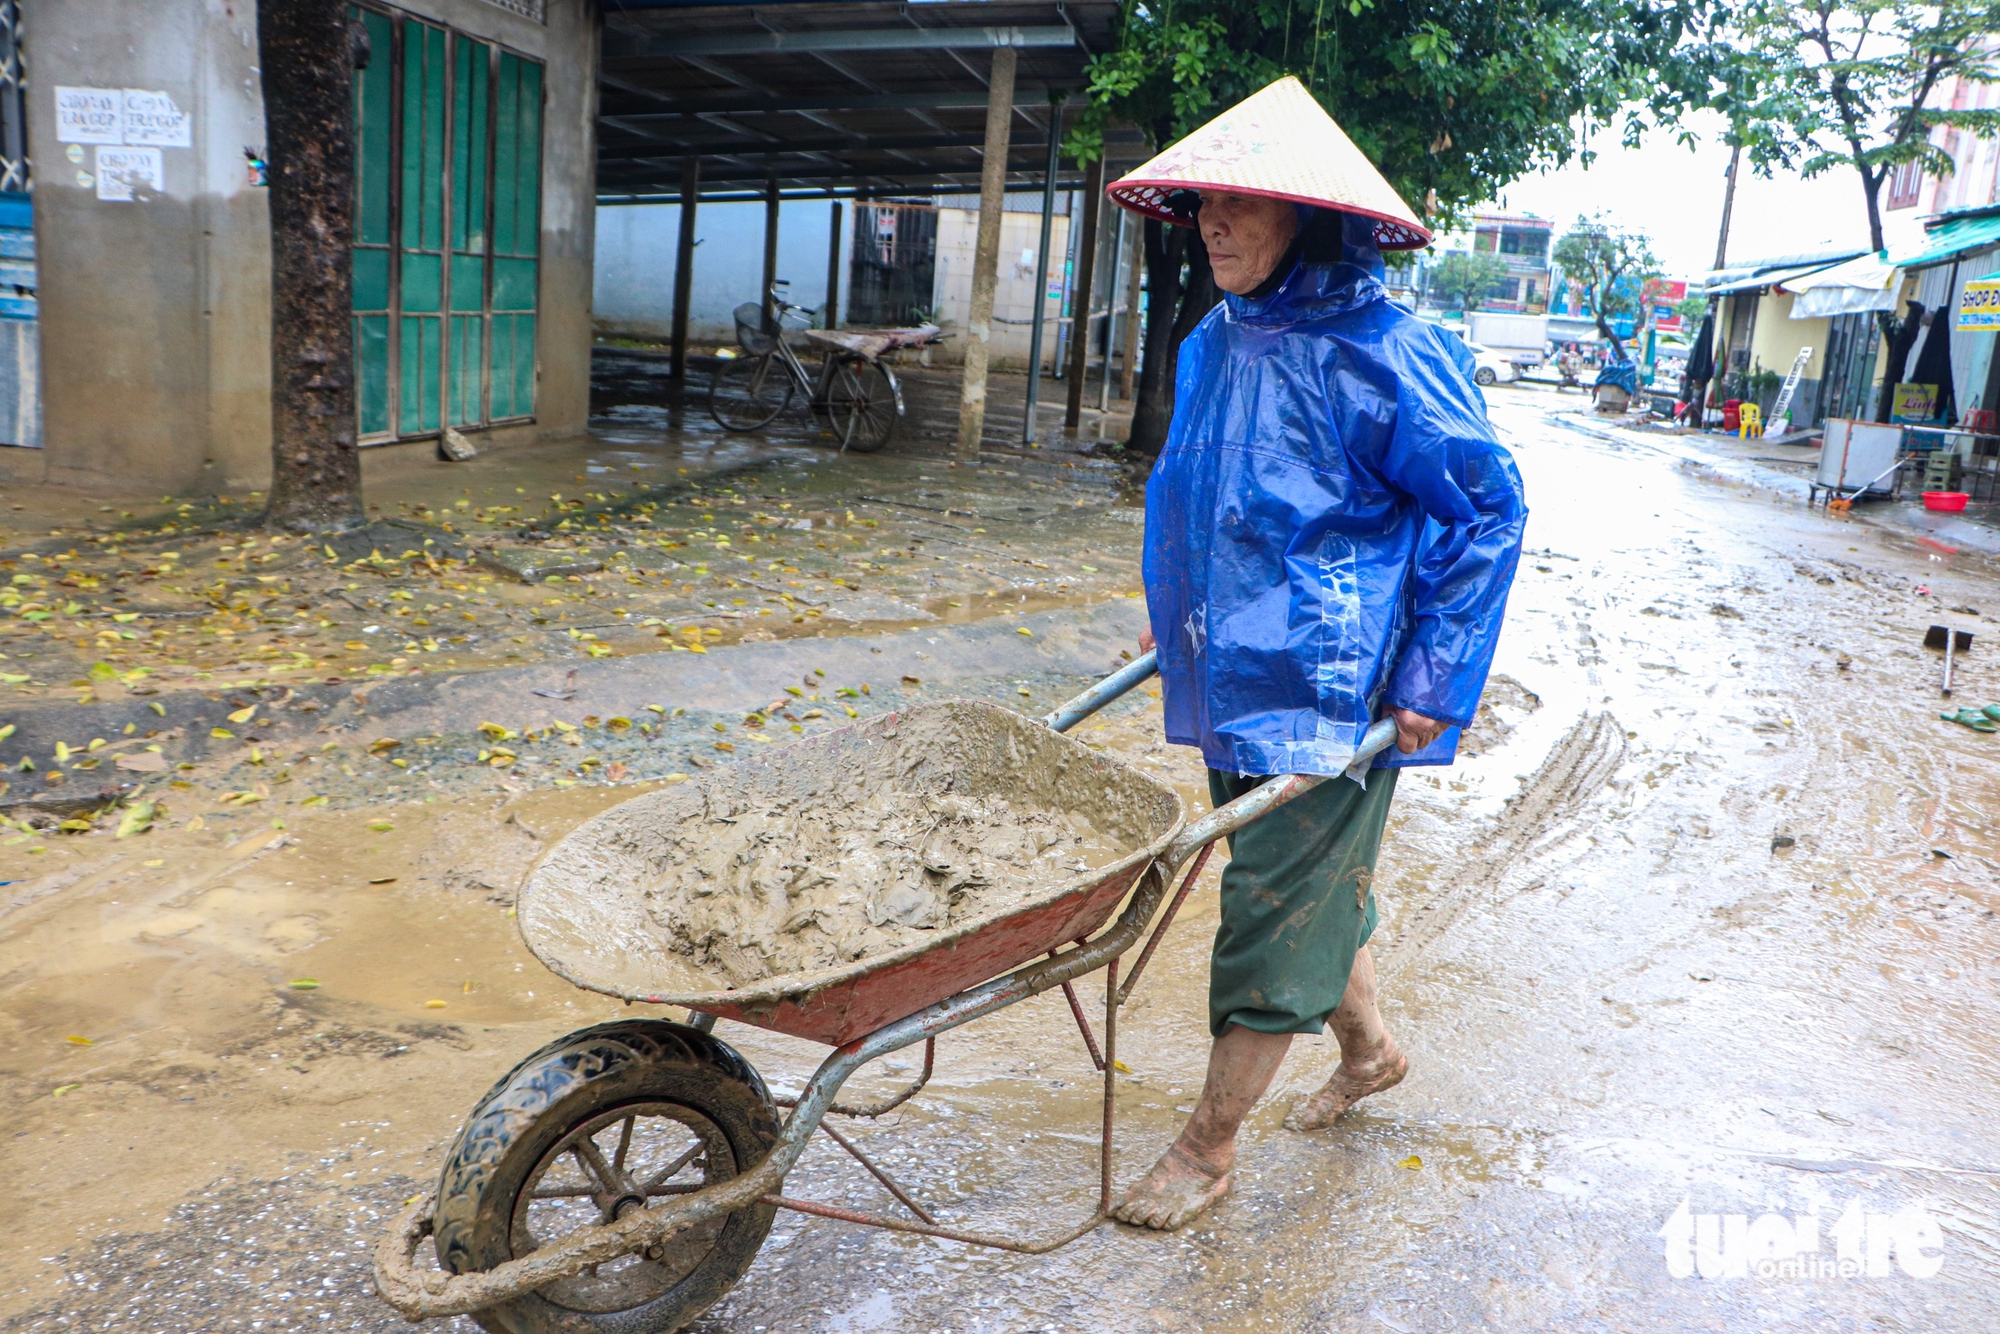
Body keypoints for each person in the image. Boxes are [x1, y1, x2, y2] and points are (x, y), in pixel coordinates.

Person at [1099, 77, 1528, 1230]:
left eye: (1240, 203)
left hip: (1334, 692)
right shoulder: (1212, 339)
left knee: (1269, 907)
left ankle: (1205, 1148)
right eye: (1201, 204)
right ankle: (1373, 1050)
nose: (1213, 223)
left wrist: (1435, 676)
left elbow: (1485, 509)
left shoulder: (1391, 349)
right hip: (1226, 672)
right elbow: (1195, 490)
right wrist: (1172, 604)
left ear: (1309, 217)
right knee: (1302, 886)